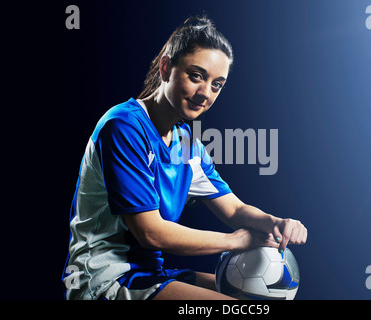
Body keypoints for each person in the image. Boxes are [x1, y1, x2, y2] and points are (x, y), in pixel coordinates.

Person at [63, 16, 307, 300]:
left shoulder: (187, 145)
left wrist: (275, 222)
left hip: (149, 274)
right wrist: (234, 241)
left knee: (258, 295)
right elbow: (150, 233)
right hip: (104, 279)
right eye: (196, 76)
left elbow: (234, 210)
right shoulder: (124, 126)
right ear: (166, 68)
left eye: (217, 84)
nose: (205, 93)